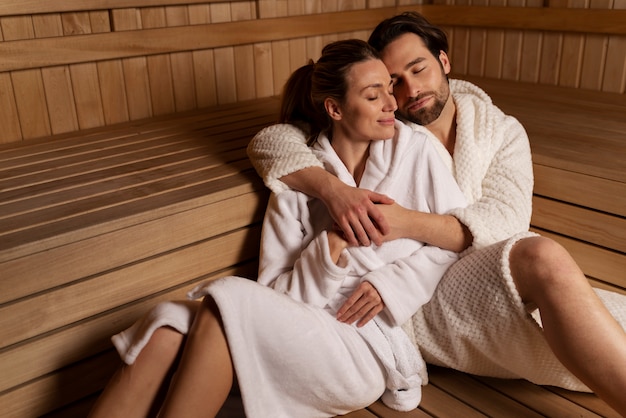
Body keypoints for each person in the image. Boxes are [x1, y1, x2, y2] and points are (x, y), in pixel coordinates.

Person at [247, 12, 626, 415]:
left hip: (486, 270)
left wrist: (405, 223)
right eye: (393, 81)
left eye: (419, 69)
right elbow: (274, 140)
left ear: (444, 62)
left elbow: (506, 224)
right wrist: (334, 190)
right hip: (422, 296)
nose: (409, 91)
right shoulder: (388, 126)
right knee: (543, 257)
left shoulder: (499, 131)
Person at [89, 39, 469, 418]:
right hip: (301, 322)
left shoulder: (417, 151)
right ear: (335, 108)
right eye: (374, 96)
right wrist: (332, 245)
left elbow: (454, 237)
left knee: (222, 301)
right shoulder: (298, 178)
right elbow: (278, 293)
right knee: (167, 329)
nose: (391, 103)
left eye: (389, 89)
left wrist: (391, 287)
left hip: (364, 341)